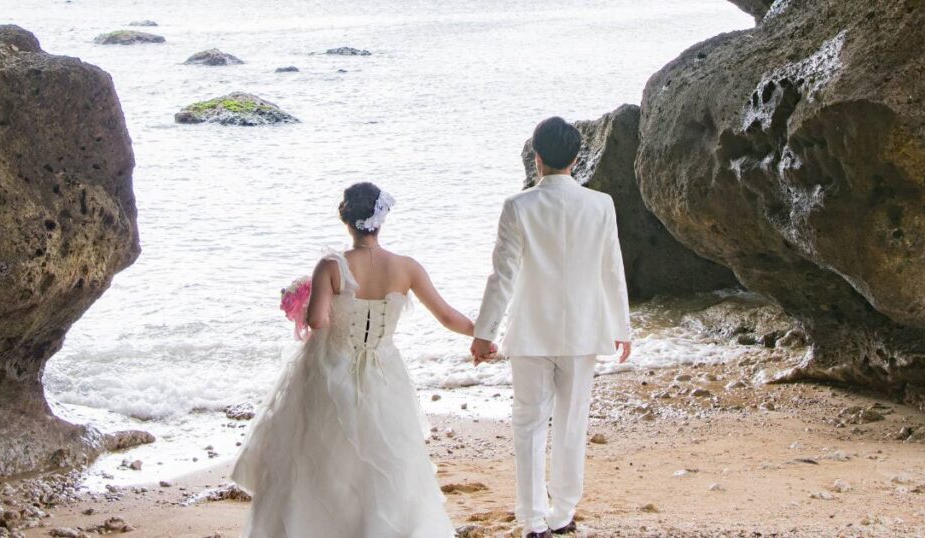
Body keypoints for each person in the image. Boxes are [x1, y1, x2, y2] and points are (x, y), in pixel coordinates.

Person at [232, 182, 474, 537]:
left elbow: (317, 322)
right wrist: (483, 336)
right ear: (381, 219)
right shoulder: (406, 268)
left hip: (331, 370)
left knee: (320, 459)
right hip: (383, 374)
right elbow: (448, 316)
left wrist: (307, 300)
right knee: (384, 462)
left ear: (346, 219)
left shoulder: (331, 265)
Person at [472, 117, 632, 538]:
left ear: (536, 158)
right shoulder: (601, 204)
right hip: (582, 330)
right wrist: (622, 326)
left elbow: (502, 276)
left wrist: (484, 332)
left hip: (530, 331)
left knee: (527, 424)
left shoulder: (518, 206)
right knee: (571, 421)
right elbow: (611, 270)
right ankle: (562, 512)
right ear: (576, 159)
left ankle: (532, 520)